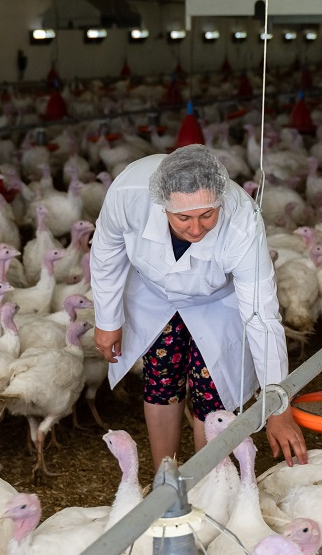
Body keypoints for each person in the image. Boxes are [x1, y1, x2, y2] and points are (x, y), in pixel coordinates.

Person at [90, 144, 307, 471]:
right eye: (183, 218)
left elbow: (262, 316)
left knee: (214, 392)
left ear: (220, 200)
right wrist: (107, 320)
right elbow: (106, 250)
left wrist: (278, 406)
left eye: (207, 215)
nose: (195, 229)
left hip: (216, 303)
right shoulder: (129, 192)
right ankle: (167, 474)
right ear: (162, 205)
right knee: (161, 381)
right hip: (154, 295)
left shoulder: (242, 220)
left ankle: (208, 481)